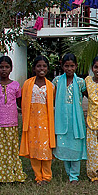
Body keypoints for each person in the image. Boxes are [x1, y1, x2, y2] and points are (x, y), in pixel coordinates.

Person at [0, 56, 25, 184]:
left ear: (11, 69)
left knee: (11, 149)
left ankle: (13, 173)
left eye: (7, 67)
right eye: (1, 67)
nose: (4, 70)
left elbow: (19, 103)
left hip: (12, 123)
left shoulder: (15, 85)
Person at [19, 55, 56, 183]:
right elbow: (22, 101)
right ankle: (38, 176)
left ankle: (47, 176)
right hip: (32, 121)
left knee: (45, 148)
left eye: (44, 66)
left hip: (46, 122)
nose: (41, 68)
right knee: (33, 147)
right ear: (34, 68)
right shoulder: (27, 84)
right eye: (38, 66)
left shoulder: (50, 86)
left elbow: (53, 103)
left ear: (47, 69)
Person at [54, 53, 87, 182]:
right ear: (62, 66)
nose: (69, 69)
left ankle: (74, 175)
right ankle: (68, 173)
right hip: (61, 118)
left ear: (76, 66)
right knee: (64, 145)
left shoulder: (80, 82)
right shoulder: (57, 81)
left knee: (75, 146)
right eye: (66, 66)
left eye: (72, 66)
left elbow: (88, 95)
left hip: (76, 119)